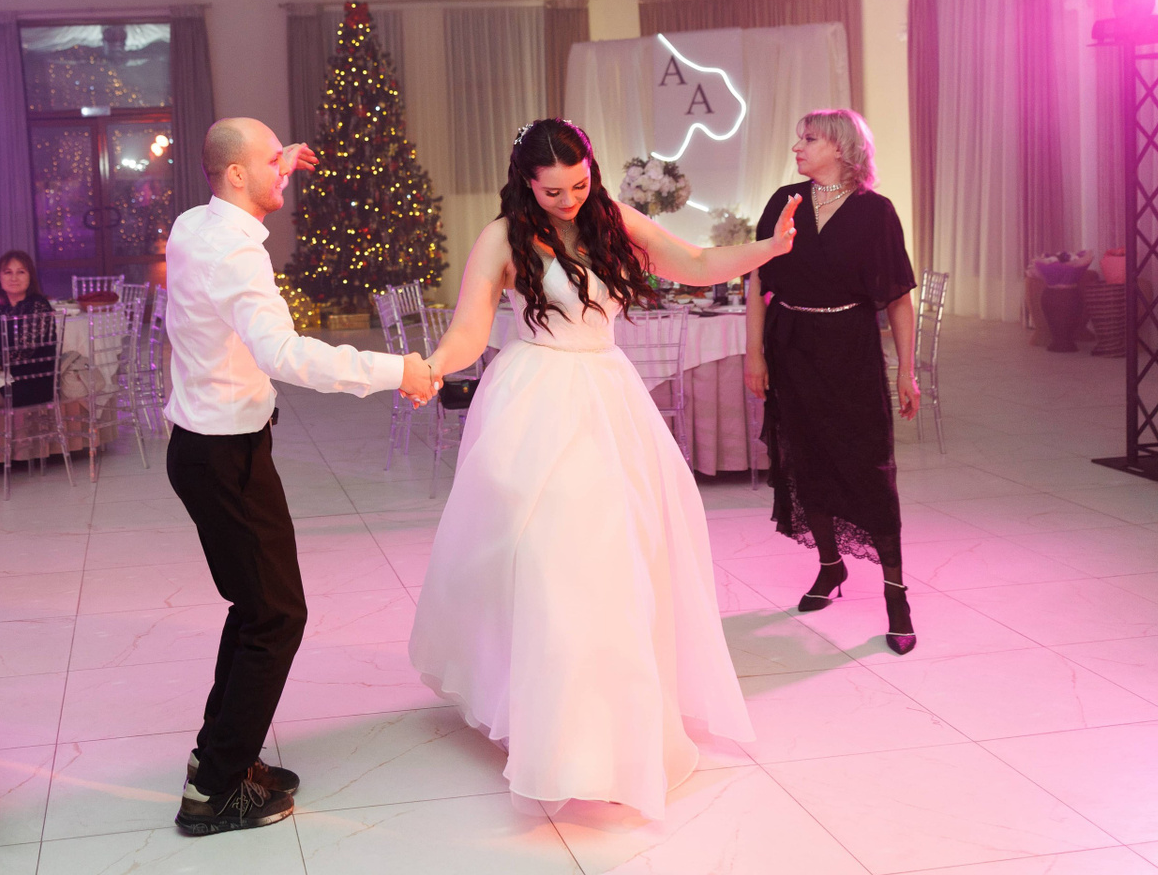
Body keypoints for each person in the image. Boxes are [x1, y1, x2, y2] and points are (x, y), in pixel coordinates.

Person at [410, 119, 799, 820]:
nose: (569, 200)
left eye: (580, 185)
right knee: (545, 558)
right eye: (553, 191)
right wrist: (435, 366)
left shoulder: (613, 217)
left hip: (608, 397)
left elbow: (695, 262)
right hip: (535, 398)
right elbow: (470, 329)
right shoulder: (502, 237)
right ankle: (550, 720)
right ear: (526, 184)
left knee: (615, 559)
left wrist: (767, 248)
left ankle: (612, 727)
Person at [165, 117, 438, 836]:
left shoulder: (195, 224)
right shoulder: (234, 254)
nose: (281, 170)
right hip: (224, 457)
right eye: (269, 162)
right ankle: (214, 791)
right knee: (276, 616)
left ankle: (218, 758)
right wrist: (397, 370)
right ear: (235, 175)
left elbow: (240, 168)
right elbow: (285, 356)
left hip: (208, 449)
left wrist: (275, 160)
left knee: (256, 608)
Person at [745, 109, 921, 654]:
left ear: (842, 148)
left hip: (850, 348)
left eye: (810, 138)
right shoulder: (785, 201)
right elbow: (757, 280)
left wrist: (906, 370)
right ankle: (830, 565)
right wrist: (754, 354)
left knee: (870, 467)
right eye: (799, 137)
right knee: (806, 459)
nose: (797, 146)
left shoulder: (875, 211)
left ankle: (896, 595)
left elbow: (898, 297)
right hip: (792, 346)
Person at [0, 249, 57, 415]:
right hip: (2, 378)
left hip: (30, 383)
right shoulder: (0, 309)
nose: (14, 278)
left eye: (21, 272)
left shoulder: (38, 305)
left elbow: (22, 352)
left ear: (30, 277)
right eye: (8, 272)